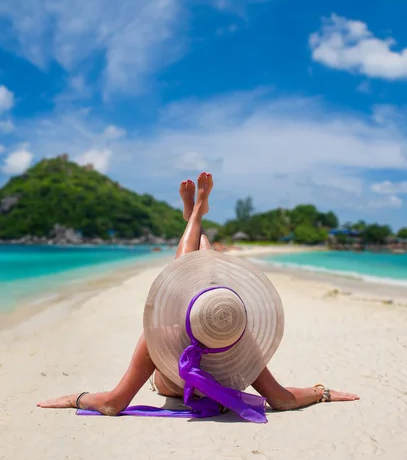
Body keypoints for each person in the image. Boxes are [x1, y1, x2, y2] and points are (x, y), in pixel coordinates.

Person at [37, 173, 359, 419]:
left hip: (171, 385)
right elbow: (282, 400)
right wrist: (322, 392)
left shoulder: (159, 337)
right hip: (220, 384)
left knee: (192, 270)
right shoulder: (240, 340)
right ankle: (196, 219)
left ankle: (194, 217)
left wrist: (74, 398)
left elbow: (112, 404)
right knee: (201, 262)